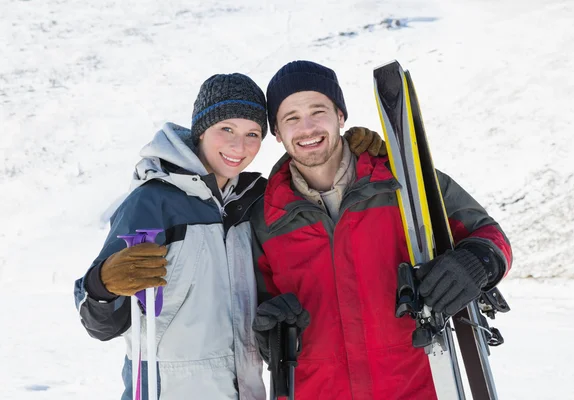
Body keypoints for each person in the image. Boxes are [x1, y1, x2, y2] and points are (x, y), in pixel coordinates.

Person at [73, 72, 384, 400]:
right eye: (227, 129)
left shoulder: (252, 203)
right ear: (201, 131)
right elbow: (101, 325)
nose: (240, 146)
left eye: (252, 133)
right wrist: (101, 285)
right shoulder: (154, 201)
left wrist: (351, 153)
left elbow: (314, 181)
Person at [250, 61, 513, 399]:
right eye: (291, 118)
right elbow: (257, 311)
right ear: (276, 132)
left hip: (416, 386)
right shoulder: (264, 218)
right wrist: (267, 335)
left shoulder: (401, 181)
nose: (308, 127)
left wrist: (478, 263)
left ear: (340, 116)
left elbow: (491, 236)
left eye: (319, 111)